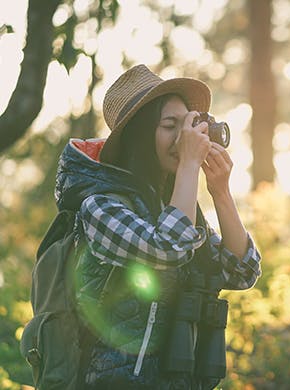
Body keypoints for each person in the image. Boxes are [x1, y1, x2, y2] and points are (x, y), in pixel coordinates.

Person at [55, 64, 262, 389]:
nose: (185, 138)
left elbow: (241, 271)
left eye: (189, 126)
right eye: (170, 126)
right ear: (139, 135)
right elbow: (168, 248)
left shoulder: (174, 206)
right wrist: (190, 166)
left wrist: (221, 193)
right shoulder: (100, 205)